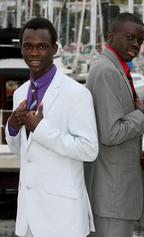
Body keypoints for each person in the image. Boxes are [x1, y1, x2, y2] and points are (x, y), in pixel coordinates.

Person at [5, 17, 98, 237]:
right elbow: (23, 152)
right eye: (28, 46)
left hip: (63, 218)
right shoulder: (20, 92)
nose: (34, 53)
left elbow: (89, 149)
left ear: (54, 48)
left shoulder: (77, 93)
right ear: (21, 49)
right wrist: (12, 128)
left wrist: (41, 129)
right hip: (28, 217)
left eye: (42, 47)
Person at [84, 12, 144, 237]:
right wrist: (141, 116)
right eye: (131, 37)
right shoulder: (107, 72)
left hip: (114, 196)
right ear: (111, 36)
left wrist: (137, 154)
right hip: (111, 197)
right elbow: (111, 134)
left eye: (140, 41)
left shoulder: (116, 69)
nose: (136, 45)